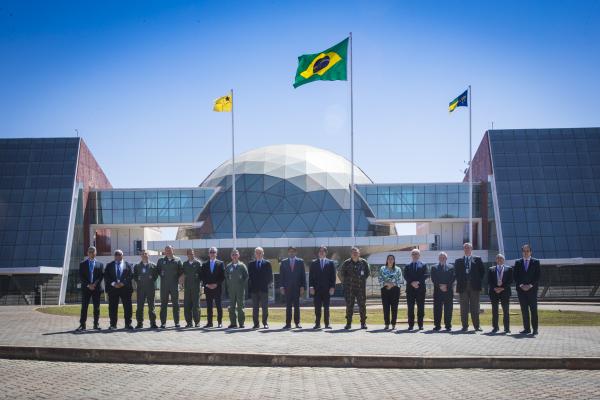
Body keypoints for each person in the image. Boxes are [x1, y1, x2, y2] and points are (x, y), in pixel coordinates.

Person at [454, 242, 485, 332]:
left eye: (468, 248)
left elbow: (482, 272)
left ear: (471, 249)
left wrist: (477, 280)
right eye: (465, 248)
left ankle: (477, 326)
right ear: (463, 249)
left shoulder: (477, 259)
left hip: (474, 287)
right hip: (463, 287)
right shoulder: (458, 261)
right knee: (463, 308)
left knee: (475, 307)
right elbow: (456, 273)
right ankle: (465, 326)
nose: (467, 249)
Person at [339, 246, 370, 330]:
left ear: (359, 253)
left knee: (362, 305)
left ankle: (363, 323)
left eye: (356, 252)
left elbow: (367, 273)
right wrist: (346, 283)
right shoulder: (346, 263)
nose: (355, 253)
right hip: (350, 289)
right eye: (353, 252)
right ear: (350, 254)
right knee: (349, 306)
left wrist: (361, 280)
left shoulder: (364, 262)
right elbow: (341, 274)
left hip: (360, 288)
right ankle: (348, 323)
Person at [514, 244, 541, 335]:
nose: (526, 253)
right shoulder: (518, 262)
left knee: (533, 311)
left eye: (527, 251)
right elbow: (516, 276)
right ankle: (526, 329)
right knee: (524, 311)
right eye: (524, 251)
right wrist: (521, 285)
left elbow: (537, 276)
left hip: (532, 291)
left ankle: (535, 329)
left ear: (531, 252)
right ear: (522, 252)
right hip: (521, 291)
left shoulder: (536, 262)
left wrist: (530, 285)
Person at [104, 249, 134, 330]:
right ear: (114, 256)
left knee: (128, 307)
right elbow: (106, 276)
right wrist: (114, 284)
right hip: (113, 289)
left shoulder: (128, 265)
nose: (118, 256)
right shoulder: (109, 265)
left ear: (122, 255)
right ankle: (113, 325)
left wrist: (122, 283)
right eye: (116, 254)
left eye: (119, 254)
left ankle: (128, 324)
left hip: (125, 289)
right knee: (112, 307)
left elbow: (130, 276)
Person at [76, 246, 104, 331]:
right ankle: (82, 324)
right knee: (84, 307)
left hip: (96, 289)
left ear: (96, 253)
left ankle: (96, 324)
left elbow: (100, 276)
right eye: (90, 251)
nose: (91, 253)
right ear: (87, 253)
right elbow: (81, 276)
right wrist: (89, 285)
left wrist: (94, 284)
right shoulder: (82, 264)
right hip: (86, 289)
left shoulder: (100, 264)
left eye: (93, 251)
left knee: (97, 307)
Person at [309, 246, 337, 330]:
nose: (321, 252)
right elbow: (311, 277)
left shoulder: (331, 263)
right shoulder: (313, 263)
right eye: (320, 251)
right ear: (318, 253)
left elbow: (333, 277)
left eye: (323, 251)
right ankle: (317, 324)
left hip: (327, 289)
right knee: (317, 307)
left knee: (326, 307)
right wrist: (311, 287)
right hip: (316, 290)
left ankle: (327, 324)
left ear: (326, 252)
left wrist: (332, 287)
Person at [157, 245, 183, 329]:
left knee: (176, 304)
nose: (168, 251)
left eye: (169, 250)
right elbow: (157, 271)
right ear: (164, 251)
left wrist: (180, 281)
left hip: (174, 286)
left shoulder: (178, 260)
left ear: (173, 250)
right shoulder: (161, 261)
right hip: (164, 286)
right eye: (166, 250)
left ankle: (177, 322)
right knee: (163, 304)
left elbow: (181, 272)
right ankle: (163, 323)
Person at [279, 246, 306, 329]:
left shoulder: (300, 262)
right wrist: (281, 286)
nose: (291, 253)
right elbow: (281, 276)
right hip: (287, 288)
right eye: (290, 251)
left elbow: (303, 275)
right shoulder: (283, 262)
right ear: (288, 253)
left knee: (297, 306)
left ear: (296, 252)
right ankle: (288, 324)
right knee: (288, 306)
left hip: (297, 288)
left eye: (293, 251)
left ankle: (297, 323)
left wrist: (302, 286)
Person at [247, 247, 273, 329]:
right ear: (255, 254)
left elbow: (270, 277)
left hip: (264, 289)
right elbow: (249, 277)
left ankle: (265, 323)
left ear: (263, 253)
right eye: (257, 253)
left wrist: (267, 284)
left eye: (260, 252)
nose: (258, 254)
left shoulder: (267, 263)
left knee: (265, 308)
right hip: (254, 290)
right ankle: (256, 324)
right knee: (255, 308)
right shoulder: (251, 264)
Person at [133, 249, 159, 329]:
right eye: (142, 254)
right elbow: (135, 276)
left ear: (148, 255)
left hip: (150, 288)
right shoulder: (137, 266)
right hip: (141, 289)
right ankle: (139, 323)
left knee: (152, 306)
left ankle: (153, 323)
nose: (144, 255)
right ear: (141, 255)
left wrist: (151, 280)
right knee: (140, 307)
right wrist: (139, 280)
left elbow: (155, 276)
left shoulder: (153, 265)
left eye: (146, 253)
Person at [430, 251, 455, 331]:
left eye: (443, 257)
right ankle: (437, 325)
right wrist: (440, 286)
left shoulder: (451, 267)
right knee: (437, 309)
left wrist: (446, 286)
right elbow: (433, 279)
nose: (442, 258)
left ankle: (448, 325)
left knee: (448, 308)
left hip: (448, 291)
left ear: (446, 258)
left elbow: (453, 278)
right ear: (438, 258)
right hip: (438, 291)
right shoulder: (434, 267)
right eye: (440, 257)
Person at [403, 249, 428, 330]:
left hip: (420, 289)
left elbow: (426, 275)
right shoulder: (407, 265)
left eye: (416, 253)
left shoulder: (424, 265)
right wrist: (412, 283)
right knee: (410, 308)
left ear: (419, 255)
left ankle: (420, 325)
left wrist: (417, 282)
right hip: (410, 290)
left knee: (421, 307)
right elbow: (405, 276)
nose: (415, 255)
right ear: (411, 255)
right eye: (413, 254)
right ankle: (411, 325)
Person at [488, 253, 513, 334]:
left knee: (506, 311)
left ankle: (506, 328)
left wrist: (502, 288)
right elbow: (489, 281)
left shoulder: (509, 269)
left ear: (504, 260)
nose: (499, 259)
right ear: (496, 260)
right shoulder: (491, 269)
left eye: (501, 258)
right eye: (498, 258)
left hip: (505, 292)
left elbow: (510, 281)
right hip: (494, 292)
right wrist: (495, 288)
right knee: (494, 310)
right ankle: (495, 327)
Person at [201, 246, 225, 328]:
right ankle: (209, 323)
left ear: (216, 254)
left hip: (217, 288)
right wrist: (207, 284)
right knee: (209, 306)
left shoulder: (220, 263)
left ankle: (219, 322)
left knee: (219, 306)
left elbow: (222, 276)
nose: (212, 253)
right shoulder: (204, 264)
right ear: (209, 254)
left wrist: (216, 284)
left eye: (214, 252)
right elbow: (202, 276)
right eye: (211, 252)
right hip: (208, 288)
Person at [225, 249, 248, 329]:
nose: (234, 256)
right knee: (231, 306)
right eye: (233, 254)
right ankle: (233, 323)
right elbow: (226, 278)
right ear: (231, 256)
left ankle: (241, 323)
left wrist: (242, 285)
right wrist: (229, 287)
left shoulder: (242, 266)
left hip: (240, 290)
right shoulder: (228, 267)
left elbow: (246, 277)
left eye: (236, 254)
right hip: (231, 290)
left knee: (240, 306)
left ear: (238, 255)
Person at [378, 254, 402, 330]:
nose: (390, 260)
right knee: (386, 307)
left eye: (392, 259)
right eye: (389, 259)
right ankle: (387, 324)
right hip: (385, 289)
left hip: (395, 290)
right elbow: (380, 278)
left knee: (394, 307)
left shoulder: (398, 269)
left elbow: (400, 280)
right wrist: (386, 284)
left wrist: (392, 284)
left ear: (394, 260)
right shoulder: (382, 268)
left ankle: (393, 324)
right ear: (387, 260)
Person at [182, 248, 202, 328]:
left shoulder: (198, 263)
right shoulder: (185, 264)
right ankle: (189, 322)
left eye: (192, 253)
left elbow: (201, 276)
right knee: (187, 305)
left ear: (194, 254)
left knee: (196, 305)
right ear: (187, 255)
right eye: (189, 254)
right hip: (187, 288)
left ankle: (197, 322)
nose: (191, 255)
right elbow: (183, 275)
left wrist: (201, 286)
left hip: (196, 287)